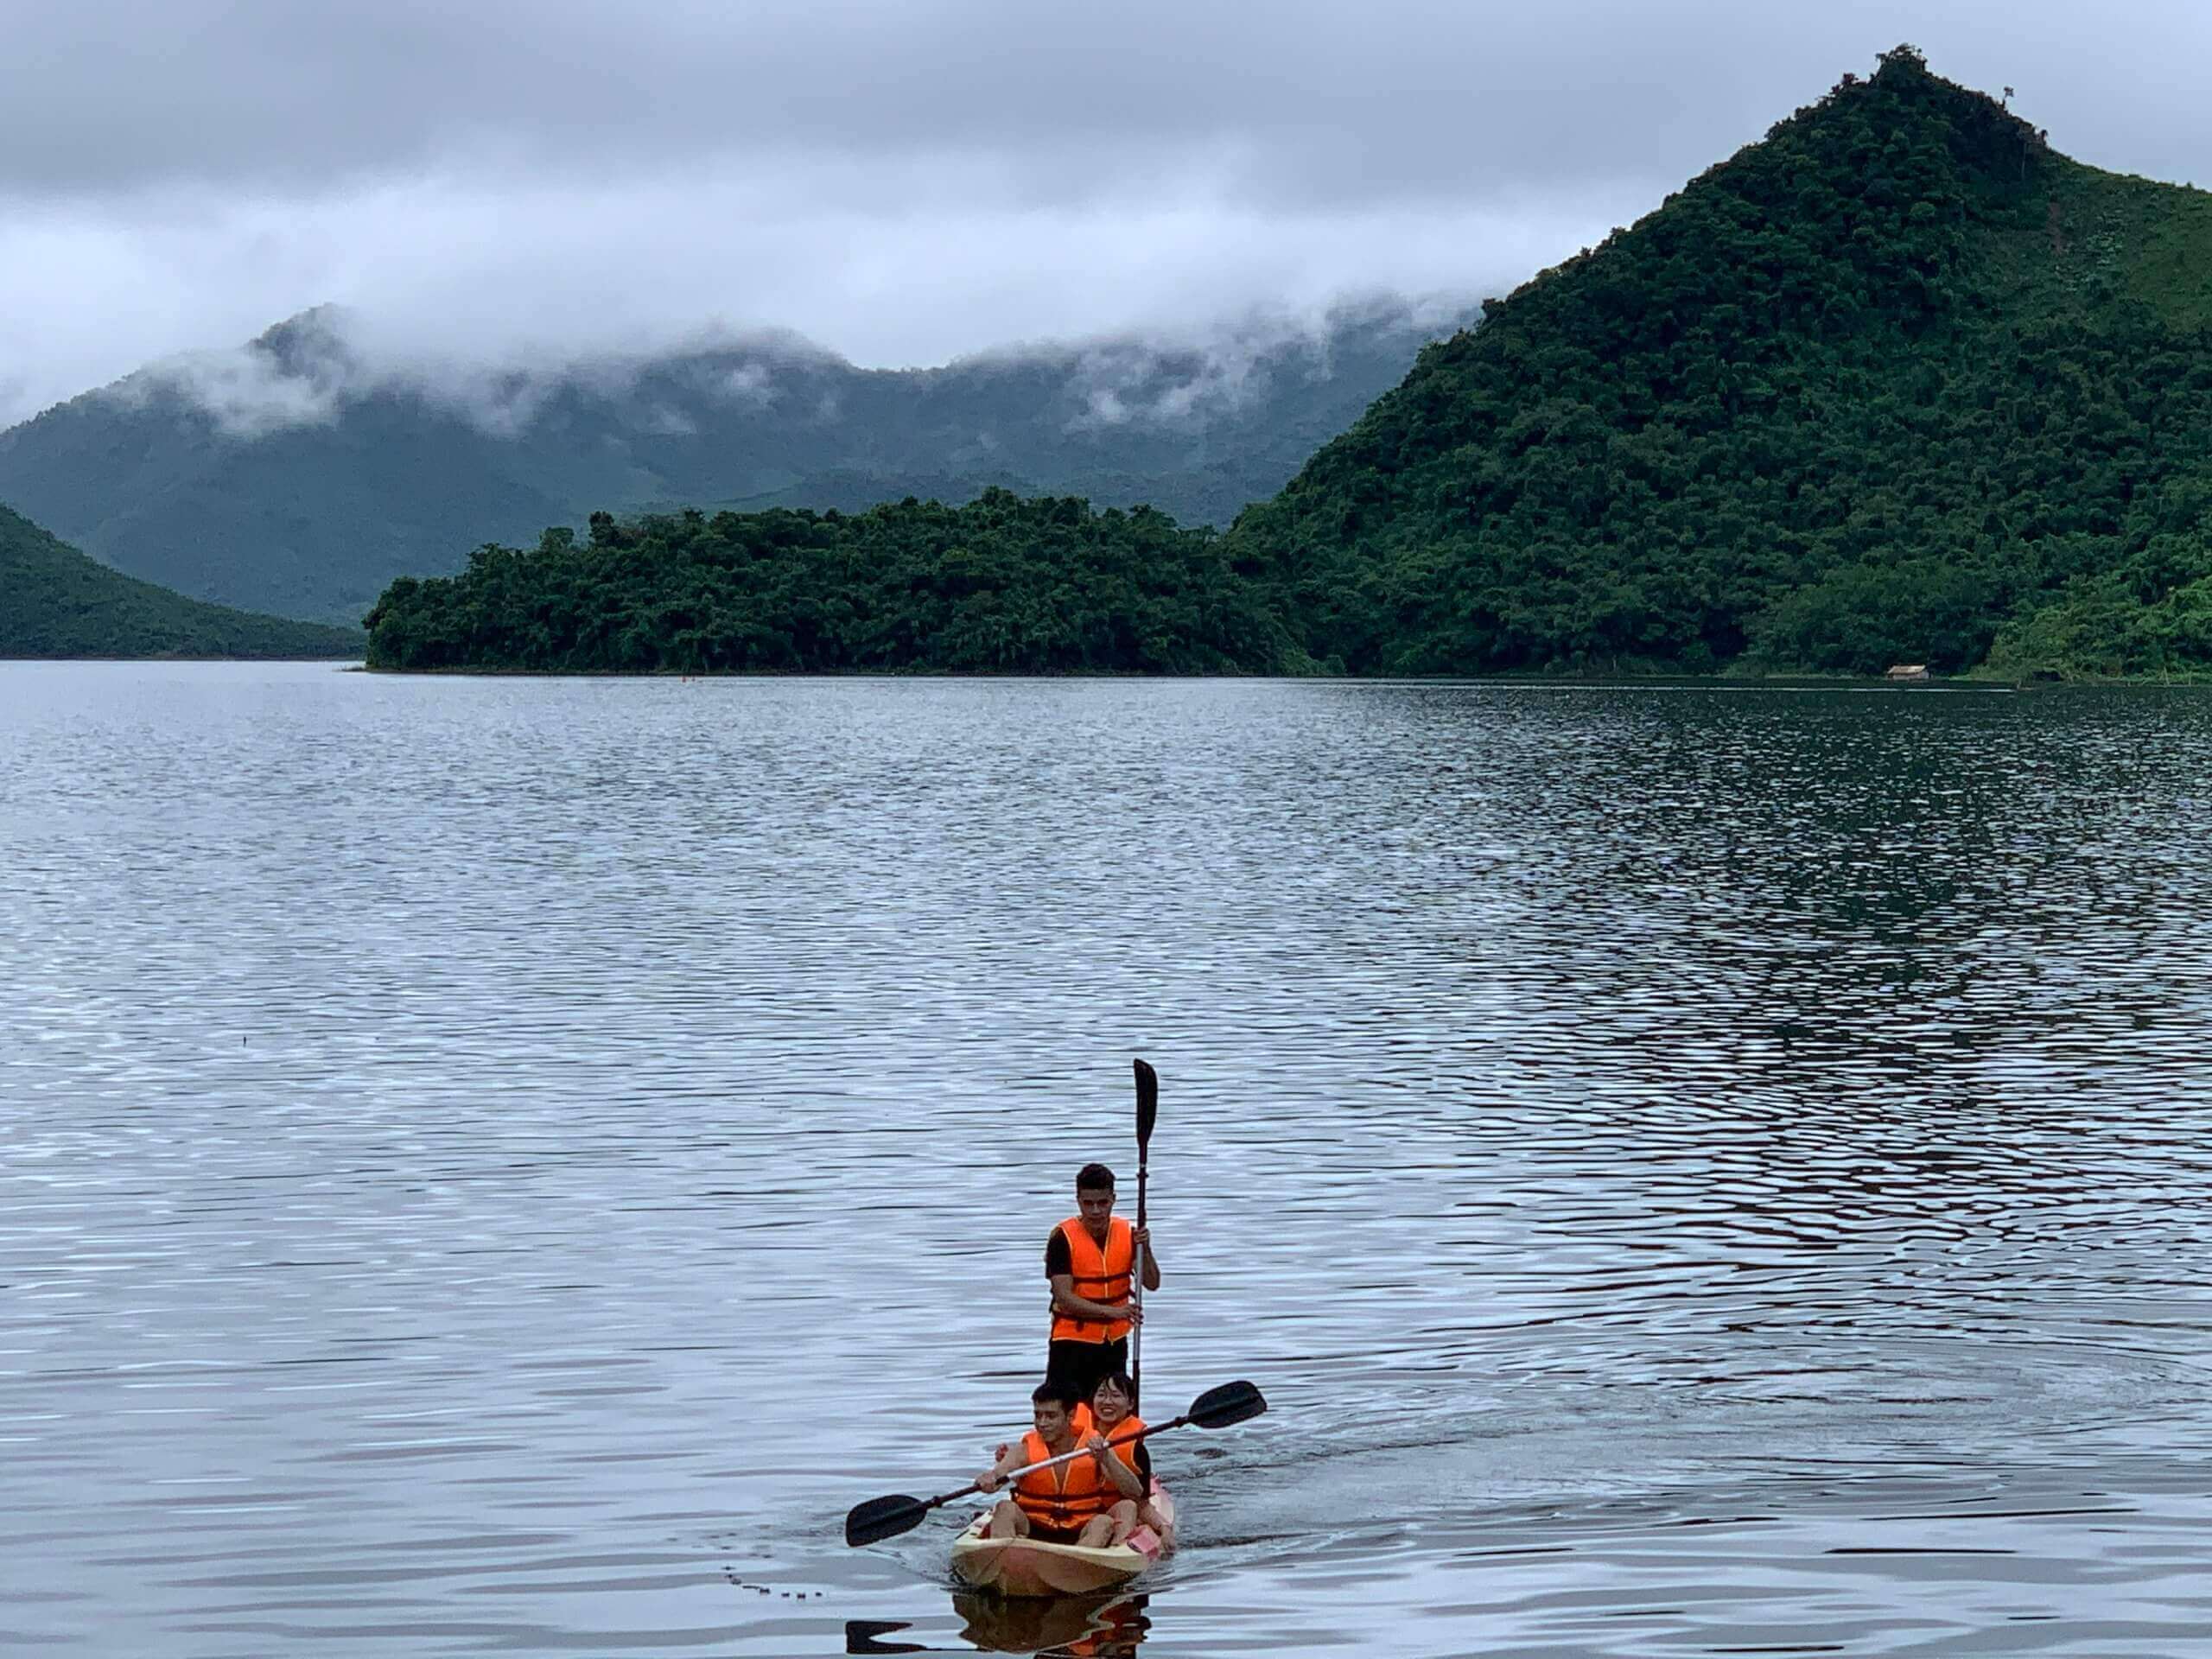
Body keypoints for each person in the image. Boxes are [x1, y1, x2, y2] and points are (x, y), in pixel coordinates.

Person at [976, 1380, 1147, 1546]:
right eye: (1038, 1415)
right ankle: (1004, 1562)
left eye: (1051, 1416)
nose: (1042, 1423)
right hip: (1033, 1526)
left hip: (1082, 1529)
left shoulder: (1095, 1447)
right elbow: (999, 1474)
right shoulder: (1024, 1449)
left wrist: (1107, 1458)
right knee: (1005, 1507)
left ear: (1070, 1416)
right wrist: (989, 1478)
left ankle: (1082, 1565)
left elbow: (1135, 1492)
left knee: (1104, 1522)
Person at [1045, 1162, 1160, 1401]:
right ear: (1078, 1201)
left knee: (1112, 1411)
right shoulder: (1061, 1239)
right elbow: (1064, 1298)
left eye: (1102, 1203)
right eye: (1088, 1203)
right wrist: (1113, 1313)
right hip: (1071, 1343)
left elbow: (1152, 1283)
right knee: (1071, 1415)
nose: (1096, 1211)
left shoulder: (1128, 1233)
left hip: (1114, 1343)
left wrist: (1145, 1249)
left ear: (1113, 1199)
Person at [1079, 1370, 1171, 1549]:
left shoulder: (1136, 1450)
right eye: (1101, 1395)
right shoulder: (1072, 1438)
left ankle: (1116, 1549)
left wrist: (1163, 1528)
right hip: (1077, 1515)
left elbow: (1141, 1502)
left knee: (1128, 1506)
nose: (1107, 1402)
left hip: (1117, 1514)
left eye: (1115, 1396)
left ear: (1130, 1404)